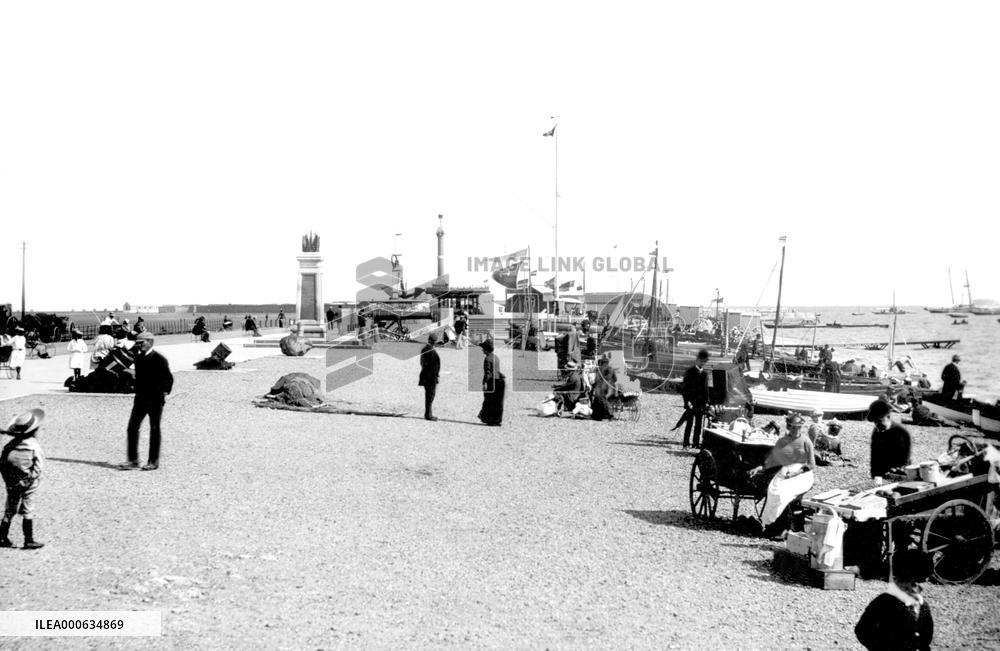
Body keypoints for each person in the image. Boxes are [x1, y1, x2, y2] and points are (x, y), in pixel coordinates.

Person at [855, 549, 934, 650]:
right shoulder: (885, 602)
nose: (915, 589)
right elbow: (862, 630)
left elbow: (926, 637)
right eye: (907, 584)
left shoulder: (921, 605)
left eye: (915, 585)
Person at [120, 333, 173, 471]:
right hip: (140, 399)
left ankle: (153, 461)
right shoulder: (138, 359)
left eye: (141, 342)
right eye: (137, 342)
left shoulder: (160, 359)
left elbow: (169, 378)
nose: (138, 345)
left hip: (155, 399)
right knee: (132, 427)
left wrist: (164, 392)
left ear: (150, 342)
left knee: (154, 429)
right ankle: (133, 460)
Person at [0, 408, 46, 549]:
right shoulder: (34, 447)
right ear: (34, 431)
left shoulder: (9, 446)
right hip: (29, 483)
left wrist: (9, 481)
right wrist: (29, 480)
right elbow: (38, 468)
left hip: (12, 482)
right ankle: (28, 539)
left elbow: (2, 464)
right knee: (28, 509)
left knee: (10, 509)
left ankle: (2, 536)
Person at [867, 399, 911, 484]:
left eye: (879, 421)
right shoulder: (876, 432)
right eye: (875, 422)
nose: (877, 424)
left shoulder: (900, 432)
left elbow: (904, 458)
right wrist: (874, 474)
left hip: (898, 473)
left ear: (888, 417)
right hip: (882, 474)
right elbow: (874, 455)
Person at [681, 349, 710, 448]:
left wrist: (706, 402)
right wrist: (687, 401)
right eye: (701, 361)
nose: (702, 363)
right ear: (697, 360)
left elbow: (706, 389)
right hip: (691, 402)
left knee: (698, 424)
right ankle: (686, 442)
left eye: (704, 362)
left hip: (700, 403)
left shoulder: (705, 374)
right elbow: (684, 388)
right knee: (689, 423)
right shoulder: (690, 372)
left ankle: (696, 443)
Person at [477, 339, 505, 426]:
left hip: (492, 382)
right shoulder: (496, 357)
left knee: (489, 401)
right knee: (498, 402)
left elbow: (487, 373)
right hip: (500, 381)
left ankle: (490, 420)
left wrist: (484, 383)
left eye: (483, 349)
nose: (482, 350)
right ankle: (497, 420)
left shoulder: (487, 359)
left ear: (486, 349)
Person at [418, 333, 441, 421]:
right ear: (434, 342)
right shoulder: (431, 351)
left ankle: (428, 414)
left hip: (425, 375)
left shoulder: (425, 349)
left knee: (429, 395)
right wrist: (436, 376)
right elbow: (434, 366)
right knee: (430, 396)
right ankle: (428, 415)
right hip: (430, 377)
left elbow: (422, 363)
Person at [590, 356, 618, 421]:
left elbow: (597, 379)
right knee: (603, 399)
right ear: (607, 363)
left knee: (600, 399)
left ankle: (605, 415)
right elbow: (615, 379)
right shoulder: (611, 369)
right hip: (611, 388)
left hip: (603, 387)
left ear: (602, 363)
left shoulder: (599, 369)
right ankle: (604, 414)